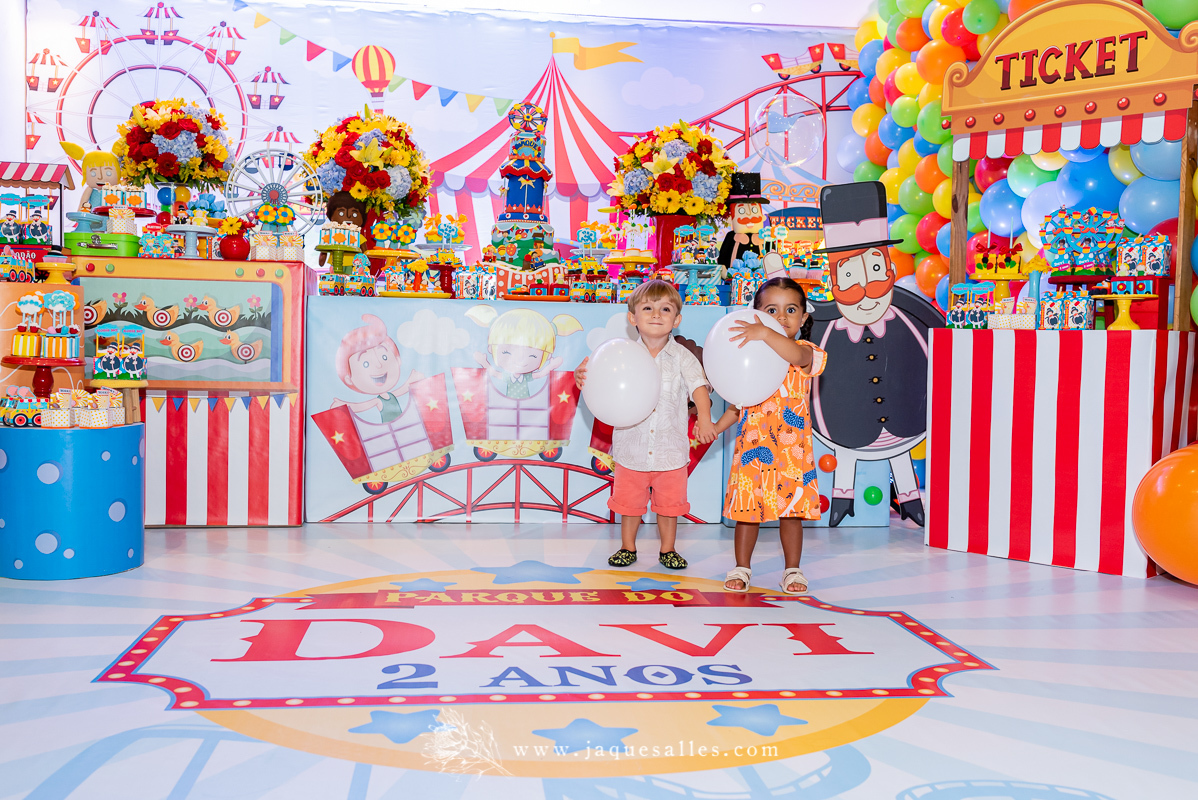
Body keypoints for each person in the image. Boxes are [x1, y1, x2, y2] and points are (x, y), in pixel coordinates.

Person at [575, 280, 717, 570]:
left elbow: (699, 387)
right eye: (648, 308)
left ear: (676, 319)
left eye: (665, 309)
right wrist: (583, 377)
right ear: (633, 318)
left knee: (669, 506)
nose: (656, 314)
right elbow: (599, 380)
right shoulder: (622, 354)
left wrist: (704, 418)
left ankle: (668, 549)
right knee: (628, 505)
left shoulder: (681, 357)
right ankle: (628, 547)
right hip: (632, 449)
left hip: (670, 451)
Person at [713, 277, 827, 595]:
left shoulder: (804, 351)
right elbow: (738, 404)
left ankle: (792, 569)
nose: (781, 317)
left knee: (792, 514)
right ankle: (742, 567)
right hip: (753, 448)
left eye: (790, 310)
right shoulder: (751, 360)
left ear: (804, 318)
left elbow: (797, 357)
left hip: (792, 456)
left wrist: (765, 333)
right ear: (756, 314)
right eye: (771, 310)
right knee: (746, 512)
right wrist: (713, 428)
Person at [471, 307, 581, 400]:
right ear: (491, 348)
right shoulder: (508, 377)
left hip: (526, 407)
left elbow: (540, 374)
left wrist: (552, 366)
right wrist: (483, 362)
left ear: (547, 355)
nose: (520, 360)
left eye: (533, 355)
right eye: (506, 352)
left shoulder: (526, 377)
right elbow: (494, 373)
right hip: (508, 407)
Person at [331, 314, 423, 422]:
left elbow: (402, 389)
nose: (379, 366)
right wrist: (345, 405)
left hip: (402, 429)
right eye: (366, 364)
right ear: (349, 378)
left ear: (398, 360)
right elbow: (362, 406)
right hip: (390, 432)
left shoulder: (389, 396)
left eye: (384, 357)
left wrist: (411, 380)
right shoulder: (378, 401)